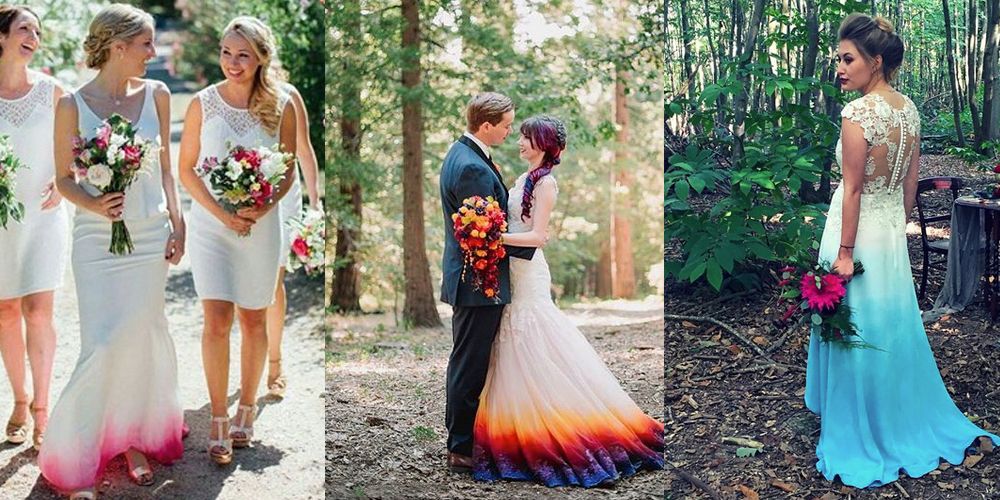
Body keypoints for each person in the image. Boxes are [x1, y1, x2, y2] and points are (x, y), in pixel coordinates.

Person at [805, 12, 999, 488]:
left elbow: (851, 190)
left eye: (847, 59)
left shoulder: (857, 114)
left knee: (854, 326)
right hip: (889, 233)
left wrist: (846, 252)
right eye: (837, 59)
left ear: (874, 61)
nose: (839, 69)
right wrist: (897, 225)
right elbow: (910, 184)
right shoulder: (909, 109)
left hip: (854, 232)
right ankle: (893, 409)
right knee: (888, 324)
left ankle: (861, 423)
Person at [38, 4, 186, 498]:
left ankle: (133, 439)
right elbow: (62, 180)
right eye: (145, 44)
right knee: (102, 342)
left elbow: (166, 169)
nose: (153, 52)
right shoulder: (71, 105)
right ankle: (74, 448)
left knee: (141, 335)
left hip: (148, 235)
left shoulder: (158, 95)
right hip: (96, 240)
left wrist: (178, 220)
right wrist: (96, 203)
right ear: (117, 47)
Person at [470, 115, 664, 487]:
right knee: (512, 345)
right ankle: (518, 426)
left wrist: (495, 238)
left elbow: (539, 236)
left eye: (526, 138)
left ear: (543, 144)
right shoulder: (522, 180)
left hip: (529, 274)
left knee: (537, 342)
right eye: (520, 136)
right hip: (512, 272)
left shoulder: (547, 184)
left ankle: (558, 426)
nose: (520, 142)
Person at [178, 15, 296, 466]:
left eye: (243, 54)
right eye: (226, 52)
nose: (233, 62)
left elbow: (285, 172)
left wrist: (261, 208)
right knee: (215, 321)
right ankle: (220, 418)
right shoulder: (202, 104)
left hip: (261, 226)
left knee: (252, 318)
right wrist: (223, 213)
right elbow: (187, 169)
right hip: (212, 226)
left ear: (261, 57)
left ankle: (248, 406)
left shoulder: (280, 104)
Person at [438, 92, 537, 473]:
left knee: (467, 359)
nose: (510, 131)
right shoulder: (471, 168)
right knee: (470, 363)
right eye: (507, 125)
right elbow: (482, 236)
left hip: (473, 280)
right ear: (486, 125)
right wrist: (529, 251)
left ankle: (463, 440)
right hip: (479, 282)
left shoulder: (462, 153)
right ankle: (460, 447)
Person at [0, 4, 66, 452]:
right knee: (5, 311)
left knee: (40, 311)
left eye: (37, 32)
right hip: (2, 221)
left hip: (44, 215)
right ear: (1, 36)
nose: (33, 37)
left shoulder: (52, 91)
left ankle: (43, 409)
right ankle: (20, 400)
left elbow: (75, 150)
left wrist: (66, 182)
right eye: (24, 28)